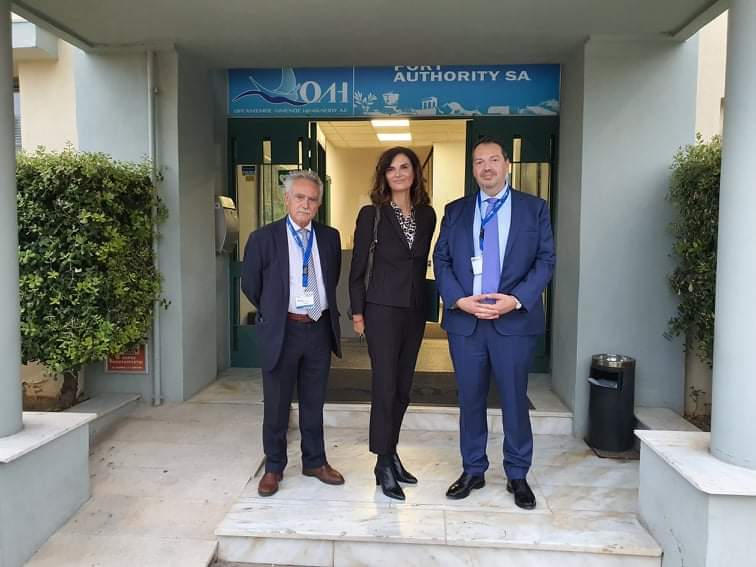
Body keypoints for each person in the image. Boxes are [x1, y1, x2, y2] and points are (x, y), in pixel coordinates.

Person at [433, 137, 555, 509]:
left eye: (493, 160)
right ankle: (473, 469)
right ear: (473, 169)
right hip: (466, 323)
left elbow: (545, 260)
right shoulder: (455, 210)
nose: (486, 167)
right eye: (479, 162)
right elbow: (441, 259)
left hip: (513, 322)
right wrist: (459, 300)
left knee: (515, 399)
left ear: (507, 165)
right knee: (470, 399)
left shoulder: (534, 209)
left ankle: (517, 474)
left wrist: (514, 300)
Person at [241, 169, 345, 497]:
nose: (306, 204)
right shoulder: (263, 238)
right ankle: (274, 466)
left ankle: (315, 461)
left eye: (312, 199)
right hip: (282, 330)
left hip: (318, 328)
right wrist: (275, 311)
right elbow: (251, 285)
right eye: (299, 197)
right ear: (286, 199)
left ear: (319, 204)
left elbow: (331, 278)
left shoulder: (329, 238)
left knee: (314, 401)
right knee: (276, 403)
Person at [349, 147, 437, 501]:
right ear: (383, 175)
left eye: (404, 167)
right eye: (391, 168)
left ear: (415, 172)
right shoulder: (372, 214)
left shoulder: (428, 215)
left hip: (414, 311)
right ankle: (382, 462)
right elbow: (357, 268)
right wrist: (357, 313)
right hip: (381, 310)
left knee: (403, 388)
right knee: (384, 386)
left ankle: (392, 452)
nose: (398, 173)